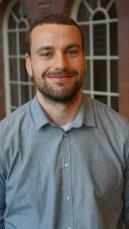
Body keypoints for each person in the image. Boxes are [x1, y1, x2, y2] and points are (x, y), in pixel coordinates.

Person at [0, 13, 129, 229]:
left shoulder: (122, 134)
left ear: (84, 58)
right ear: (29, 64)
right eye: (46, 53)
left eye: (71, 51)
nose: (61, 64)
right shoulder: (3, 140)